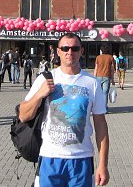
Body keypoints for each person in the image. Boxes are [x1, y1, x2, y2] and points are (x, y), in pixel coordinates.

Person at [19, 32, 110, 187]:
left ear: (81, 51)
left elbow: (101, 125)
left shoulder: (92, 83)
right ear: (58, 51)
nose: (70, 52)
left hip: (81, 160)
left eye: (75, 48)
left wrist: (103, 165)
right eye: (65, 48)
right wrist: (39, 94)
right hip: (50, 158)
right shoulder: (45, 78)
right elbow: (23, 115)